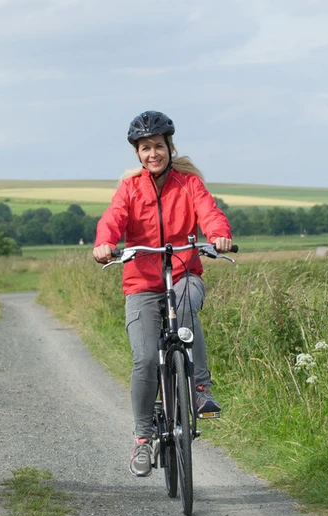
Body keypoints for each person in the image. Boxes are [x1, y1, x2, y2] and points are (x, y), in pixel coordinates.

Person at [92, 110, 234, 478]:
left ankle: (200, 388)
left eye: (158, 146)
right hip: (141, 281)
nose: (152, 153)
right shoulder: (130, 188)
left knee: (185, 309)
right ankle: (142, 439)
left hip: (185, 271)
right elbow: (113, 218)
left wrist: (218, 234)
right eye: (144, 148)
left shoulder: (188, 184)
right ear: (137, 154)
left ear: (170, 147)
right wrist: (105, 243)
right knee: (143, 360)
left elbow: (210, 213)